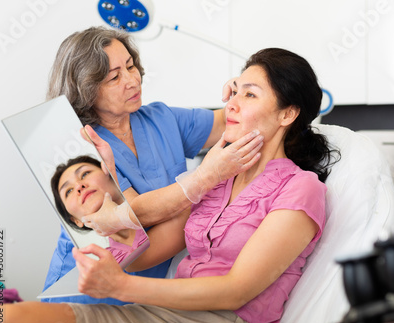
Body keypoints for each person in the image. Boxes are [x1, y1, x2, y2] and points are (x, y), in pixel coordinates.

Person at [0, 47, 340, 323]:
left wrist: (122, 287)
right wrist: (114, 185)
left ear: (289, 113)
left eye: (248, 94)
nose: (231, 103)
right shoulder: (216, 179)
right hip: (160, 313)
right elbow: (145, 250)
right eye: (234, 92)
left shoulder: (299, 188)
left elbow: (236, 290)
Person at [43, 26, 263, 305]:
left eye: (131, 66)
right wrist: (208, 177)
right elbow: (136, 216)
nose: (132, 80)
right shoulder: (86, 144)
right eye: (114, 77)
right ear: (87, 90)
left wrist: (243, 94)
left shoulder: (160, 118)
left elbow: (227, 123)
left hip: (142, 298)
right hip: (85, 294)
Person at [50, 155, 149, 264]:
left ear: (110, 175)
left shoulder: (153, 198)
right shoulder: (107, 265)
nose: (79, 186)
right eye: (68, 191)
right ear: (75, 220)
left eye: (85, 174)